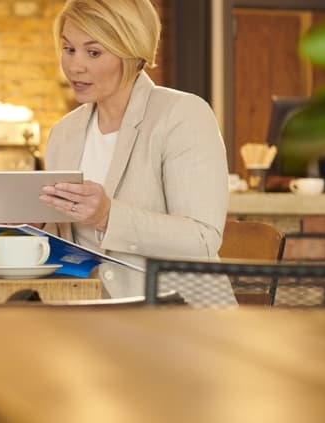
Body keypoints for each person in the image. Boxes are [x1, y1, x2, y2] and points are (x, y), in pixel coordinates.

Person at [39, 0, 234, 305]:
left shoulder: (182, 114)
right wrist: (23, 229)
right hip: (90, 320)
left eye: (93, 52)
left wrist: (107, 215)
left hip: (179, 320)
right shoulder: (64, 133)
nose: (75, 65)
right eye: (68, 49)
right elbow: (68, 244)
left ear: (132, 52)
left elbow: (201, 240)